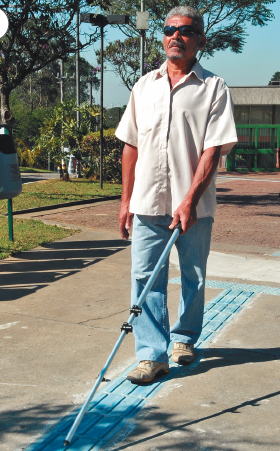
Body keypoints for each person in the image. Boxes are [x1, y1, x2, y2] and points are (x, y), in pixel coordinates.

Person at [115, 6, 237, 384]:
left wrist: (188, 201)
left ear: (201, 39)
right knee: (144, 278)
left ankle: (184, 338)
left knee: (193, 276)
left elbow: (213, 150)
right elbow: (130, 146)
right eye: (170, 29)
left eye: (186, 31)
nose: (176, 36)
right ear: (163, 36)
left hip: (195, 207)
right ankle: (152, 354)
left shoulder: (214, 88)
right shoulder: (143, 85)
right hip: (148, 202)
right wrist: (125, 201)